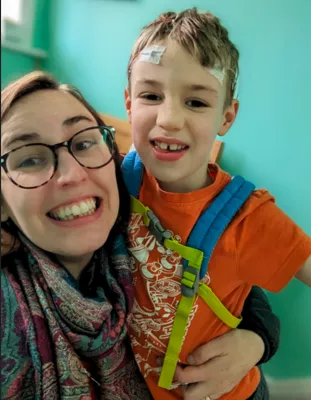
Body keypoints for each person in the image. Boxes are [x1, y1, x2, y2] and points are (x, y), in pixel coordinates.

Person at [1, 73, 280, 400]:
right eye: (30, 159)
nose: (73, 175)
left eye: (84, 143)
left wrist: (256, 341)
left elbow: (245, 295)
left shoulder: (143, 222)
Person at [123, 8, 311, 400]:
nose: (169, 118)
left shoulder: (250, 218)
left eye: (195, 102)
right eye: (151, 95)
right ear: (128, 103)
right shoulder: (116, 180)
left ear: (227, 117)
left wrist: (258, 341)